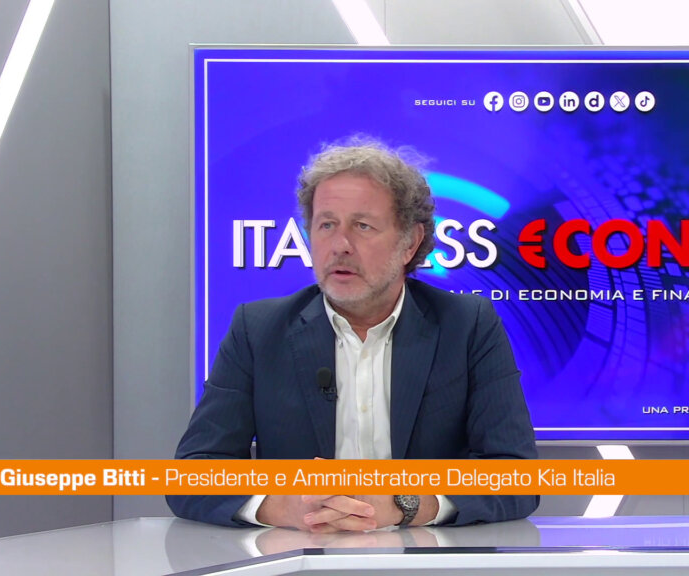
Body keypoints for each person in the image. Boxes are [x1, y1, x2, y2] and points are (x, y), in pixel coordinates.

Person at [168, 137, 538, 531]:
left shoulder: (467, 326)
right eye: (326, 225)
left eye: (363, 226)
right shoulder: (258, 330)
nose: (340, 245)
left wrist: (407, 504)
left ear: (410, 242)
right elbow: (192, 475)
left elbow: (517, 476)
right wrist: (278, 507)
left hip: (423, 555)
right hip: (300, 554)